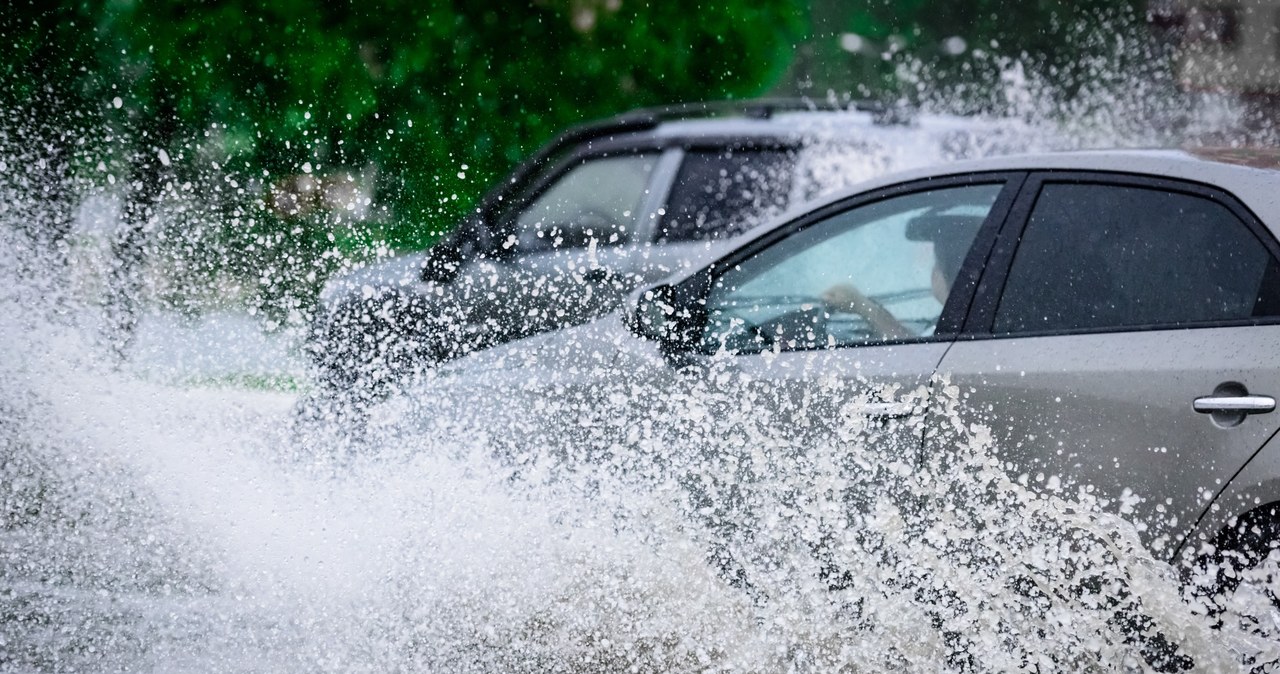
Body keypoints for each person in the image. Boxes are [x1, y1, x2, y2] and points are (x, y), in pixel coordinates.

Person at [820, 211, 984, 339]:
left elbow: (918, 358)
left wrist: (860, 304)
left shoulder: (967, 333)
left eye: (936, 263)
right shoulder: (983, 325)